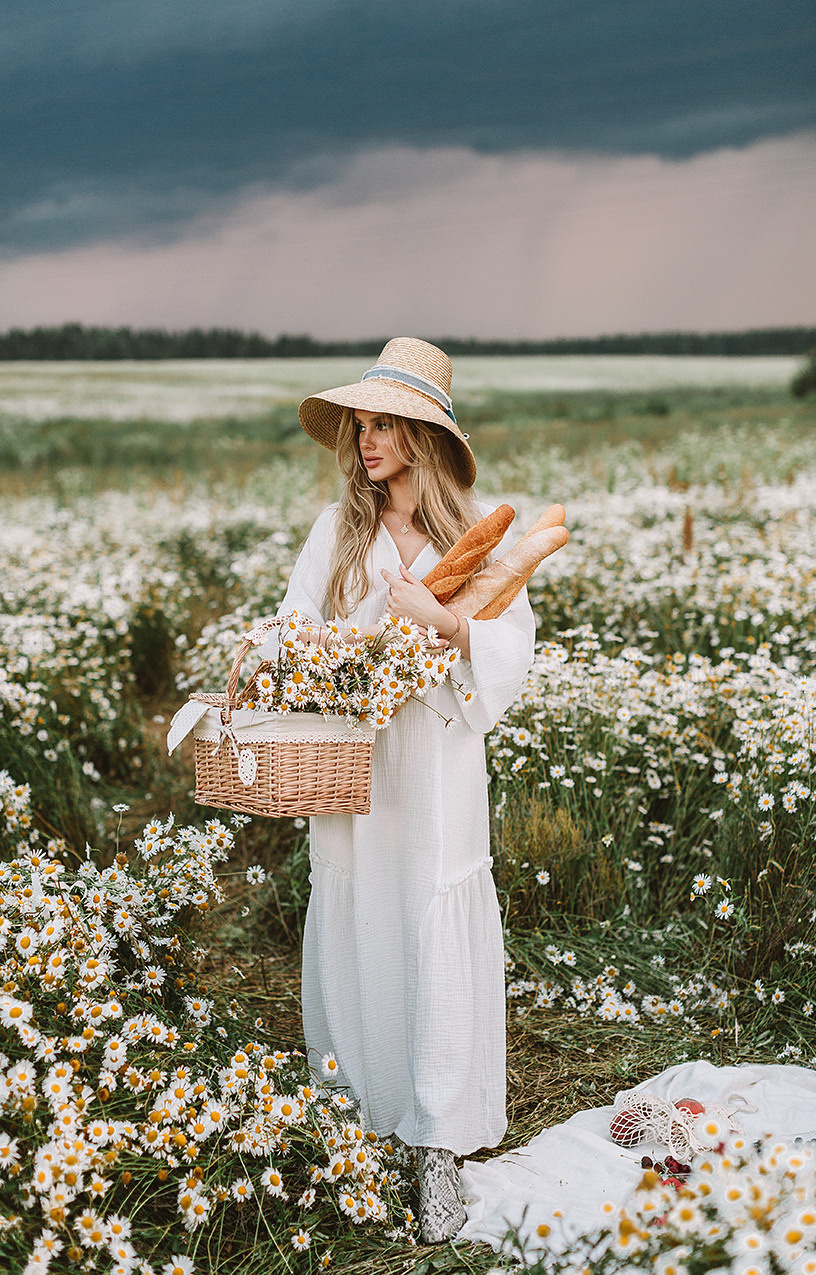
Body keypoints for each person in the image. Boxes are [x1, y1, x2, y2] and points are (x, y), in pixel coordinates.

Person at [270, 338, 535, 1242]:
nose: (366, 438)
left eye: (386, 423)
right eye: (362, 422)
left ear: (423, 436)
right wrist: (273, 648)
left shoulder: (479, 544)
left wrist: (447, 623)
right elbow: (296, 623)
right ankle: (361, 1119)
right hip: (352, 768)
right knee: (359, 917)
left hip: (435, 768)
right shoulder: (335, 533)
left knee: (429, 915)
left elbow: (513, 655)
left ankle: (435, 1146)